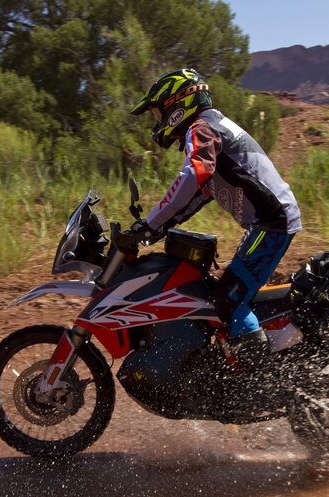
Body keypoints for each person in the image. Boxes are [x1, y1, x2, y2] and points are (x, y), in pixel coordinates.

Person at [121, 68, 302, 369]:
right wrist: (156, 228)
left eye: (159, 112)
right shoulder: (210, 125)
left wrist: (150, 224)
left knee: (229, 299)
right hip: (267, 221)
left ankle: (260, 379)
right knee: (221, 289)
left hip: (272, 222)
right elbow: (199, 193)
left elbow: (194, 175)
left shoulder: (202, 128)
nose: (159, 121)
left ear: (177, 105)